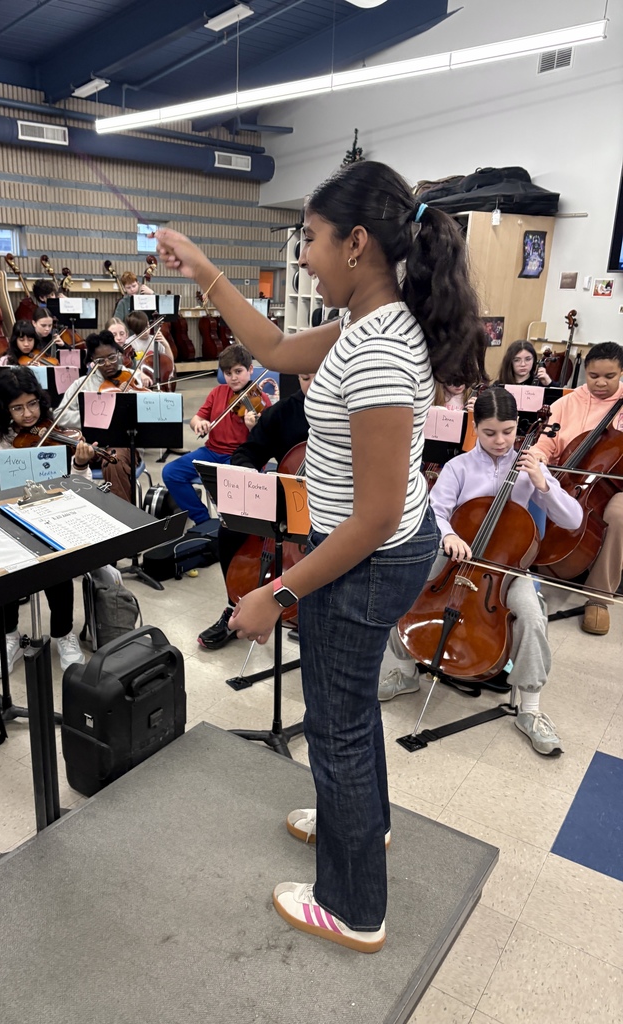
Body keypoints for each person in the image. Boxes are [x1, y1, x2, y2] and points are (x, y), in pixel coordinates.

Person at [157, 159, 486, 953]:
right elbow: (270, 345)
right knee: (347, 709)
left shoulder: (376, 349)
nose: (302, 255)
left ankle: (354, 907)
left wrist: (282, 593)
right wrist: (204, 271)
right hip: (373, 551)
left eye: (309, 239)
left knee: (335, 725)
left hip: (366, 558)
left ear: (357, 243)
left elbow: (371, 517)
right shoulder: (370, 324)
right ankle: (359, 828)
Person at [379, 388, 582, 755]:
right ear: (476, 427)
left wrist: (543, 483)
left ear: (518, 426)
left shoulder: (529, 467)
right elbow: (436, 513)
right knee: (404, 590)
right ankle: (405, 673)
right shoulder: (459, 467)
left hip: (503, 567)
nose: (501, 441)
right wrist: (451, 535)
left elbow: (573, 519)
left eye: (508, 431)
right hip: (458, 557)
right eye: (490, 433)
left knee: (533, 618)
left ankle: (531, 709)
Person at [0, 367, 91, 675]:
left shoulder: (56, 434)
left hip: (51, 518)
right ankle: (8, 636)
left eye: (33, 404)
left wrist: (78, 463)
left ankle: (63, 633)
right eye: (18, 407)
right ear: (4, 409)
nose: (28, 414)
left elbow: (82, 484)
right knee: (2, 567)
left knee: (60, 562)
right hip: (9, 522)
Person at [198, 374, 312, 650]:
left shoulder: (354, 413)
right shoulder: (284, 411)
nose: (313, 382)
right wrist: (248, 472)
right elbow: (247, 452)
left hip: (337, 509)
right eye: (305, 376)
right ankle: (233, 606)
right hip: (289, 500)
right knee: (230, 526)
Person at [532, 341, 623, 636]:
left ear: (620, 373)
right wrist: (538, 457)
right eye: (594, 375)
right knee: (525, 486)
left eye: (609, 376)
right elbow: (547, 441)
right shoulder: (565, 403)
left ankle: (599, 596)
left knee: (620, 514)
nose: (600, 382)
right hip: (569, 478)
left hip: (615, 485)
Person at [161, 344, 267, 527]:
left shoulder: (260, 400)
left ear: (250, 369)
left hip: (240, 456)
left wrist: (253, 428)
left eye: (238, 371)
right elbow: (196, 418)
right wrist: (199, 424)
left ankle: (233, 525)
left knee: (229, 487)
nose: (233, 378)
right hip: (211, 452)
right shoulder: (217, 392)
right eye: (228, 373)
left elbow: (266, 442)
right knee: (171, 472)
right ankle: (203, 521)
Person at [53, 331, 145, 502]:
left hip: (122, 445)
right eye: (100, 361)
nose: (108, 364)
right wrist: (94, 417)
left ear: (119, 353)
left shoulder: (133, 377)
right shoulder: (81, 384)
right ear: (91, 362)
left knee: (114, 461)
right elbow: (59, 416)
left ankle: (123, 519)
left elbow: (149, 412)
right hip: (87, 445)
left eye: (112, 357)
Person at [0, 320, 39, 396]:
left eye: (30, 340)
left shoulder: (39, 357)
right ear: (15, 341)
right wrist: (6, 374)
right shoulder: (6, 360)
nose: (26, 344)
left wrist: (39, 371)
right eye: (21, 340)